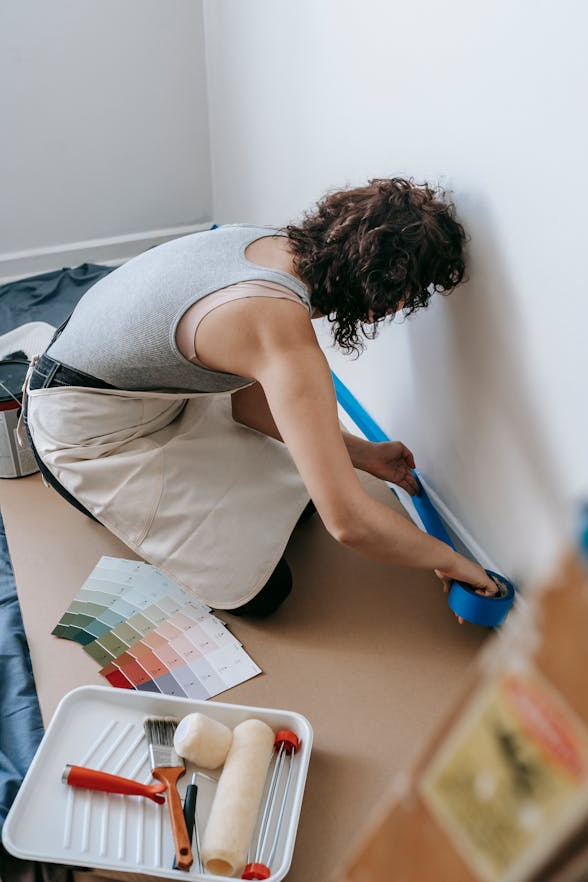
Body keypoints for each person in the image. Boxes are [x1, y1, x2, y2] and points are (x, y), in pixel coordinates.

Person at [23, 177, 497, 618]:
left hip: (136, 393)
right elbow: (349, 522)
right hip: (80, 434)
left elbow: (247, 405)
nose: (399, 310)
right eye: (410, 296)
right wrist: (454, 560)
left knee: (305, 497)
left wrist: (365, 456)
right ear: (383, 286)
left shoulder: (269, 245)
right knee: (265, 593)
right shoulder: (273, 322)